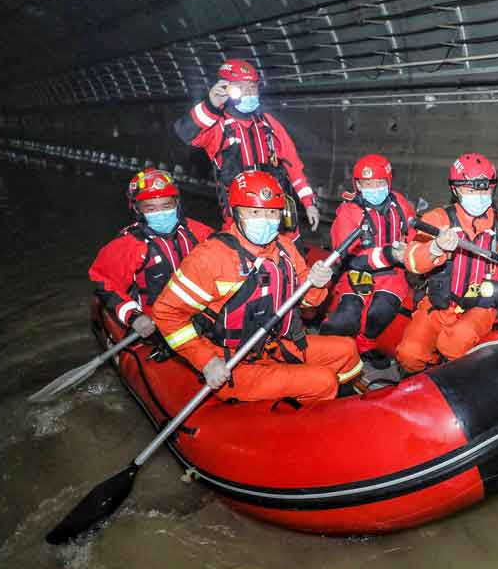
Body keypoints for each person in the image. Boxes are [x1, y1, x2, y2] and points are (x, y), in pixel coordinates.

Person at [152, 170, 362, 404]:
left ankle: (345, 405)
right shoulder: (211, 257)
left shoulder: (285, 248)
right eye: (254, 212)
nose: (265, 219)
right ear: (236, 213)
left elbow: (308, 303)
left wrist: (318, 284)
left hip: (272, 344)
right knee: (323, 381)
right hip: (231, 361)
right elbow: (166, 313)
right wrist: (206, 361)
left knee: (347, 349)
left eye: (272, 212)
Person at [396, 153, 498, 373]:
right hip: (440, 303)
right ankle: (429, 376)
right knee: (409, 354)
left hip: (480, 306)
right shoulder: (437, 220)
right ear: (455, 190)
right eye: (471, 190)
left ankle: (458, 371)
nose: (479, 196)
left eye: (485, 190)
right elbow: (412, 261)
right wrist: (435, 247)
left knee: (454, 343)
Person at [173, 58, 320, 234]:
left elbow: (293, 165)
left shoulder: (268, 124)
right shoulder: (217, 125)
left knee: (289, 250)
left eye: (252, 87)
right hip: (239, 221)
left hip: (276, 215)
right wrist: (211, 105)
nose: (249, 92)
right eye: (240, 87)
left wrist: (309, 203)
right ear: (225, 88)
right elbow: (185, 132)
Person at [90, 168, 214, 339]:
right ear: (137, 210)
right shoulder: (128, 245)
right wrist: (134, 316)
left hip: (200, 317)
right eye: (150, 208)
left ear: (177, 204)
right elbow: (106, 283)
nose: (161, 213)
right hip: (155, 326)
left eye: (166, 206)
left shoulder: (200, 233)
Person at [320, 154, 415, 361]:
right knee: (347, 317)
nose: (374, 188)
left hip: (392, 273)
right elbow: (348, 256)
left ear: (388, 182)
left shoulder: (399, 204)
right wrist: (389, 254)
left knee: (381, 309)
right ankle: (328, 347)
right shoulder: (348, 211)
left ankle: (365, 343)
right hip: (357, 272)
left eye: (379, 182)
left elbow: (413, 234)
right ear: (358, 185)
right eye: (367, 183)